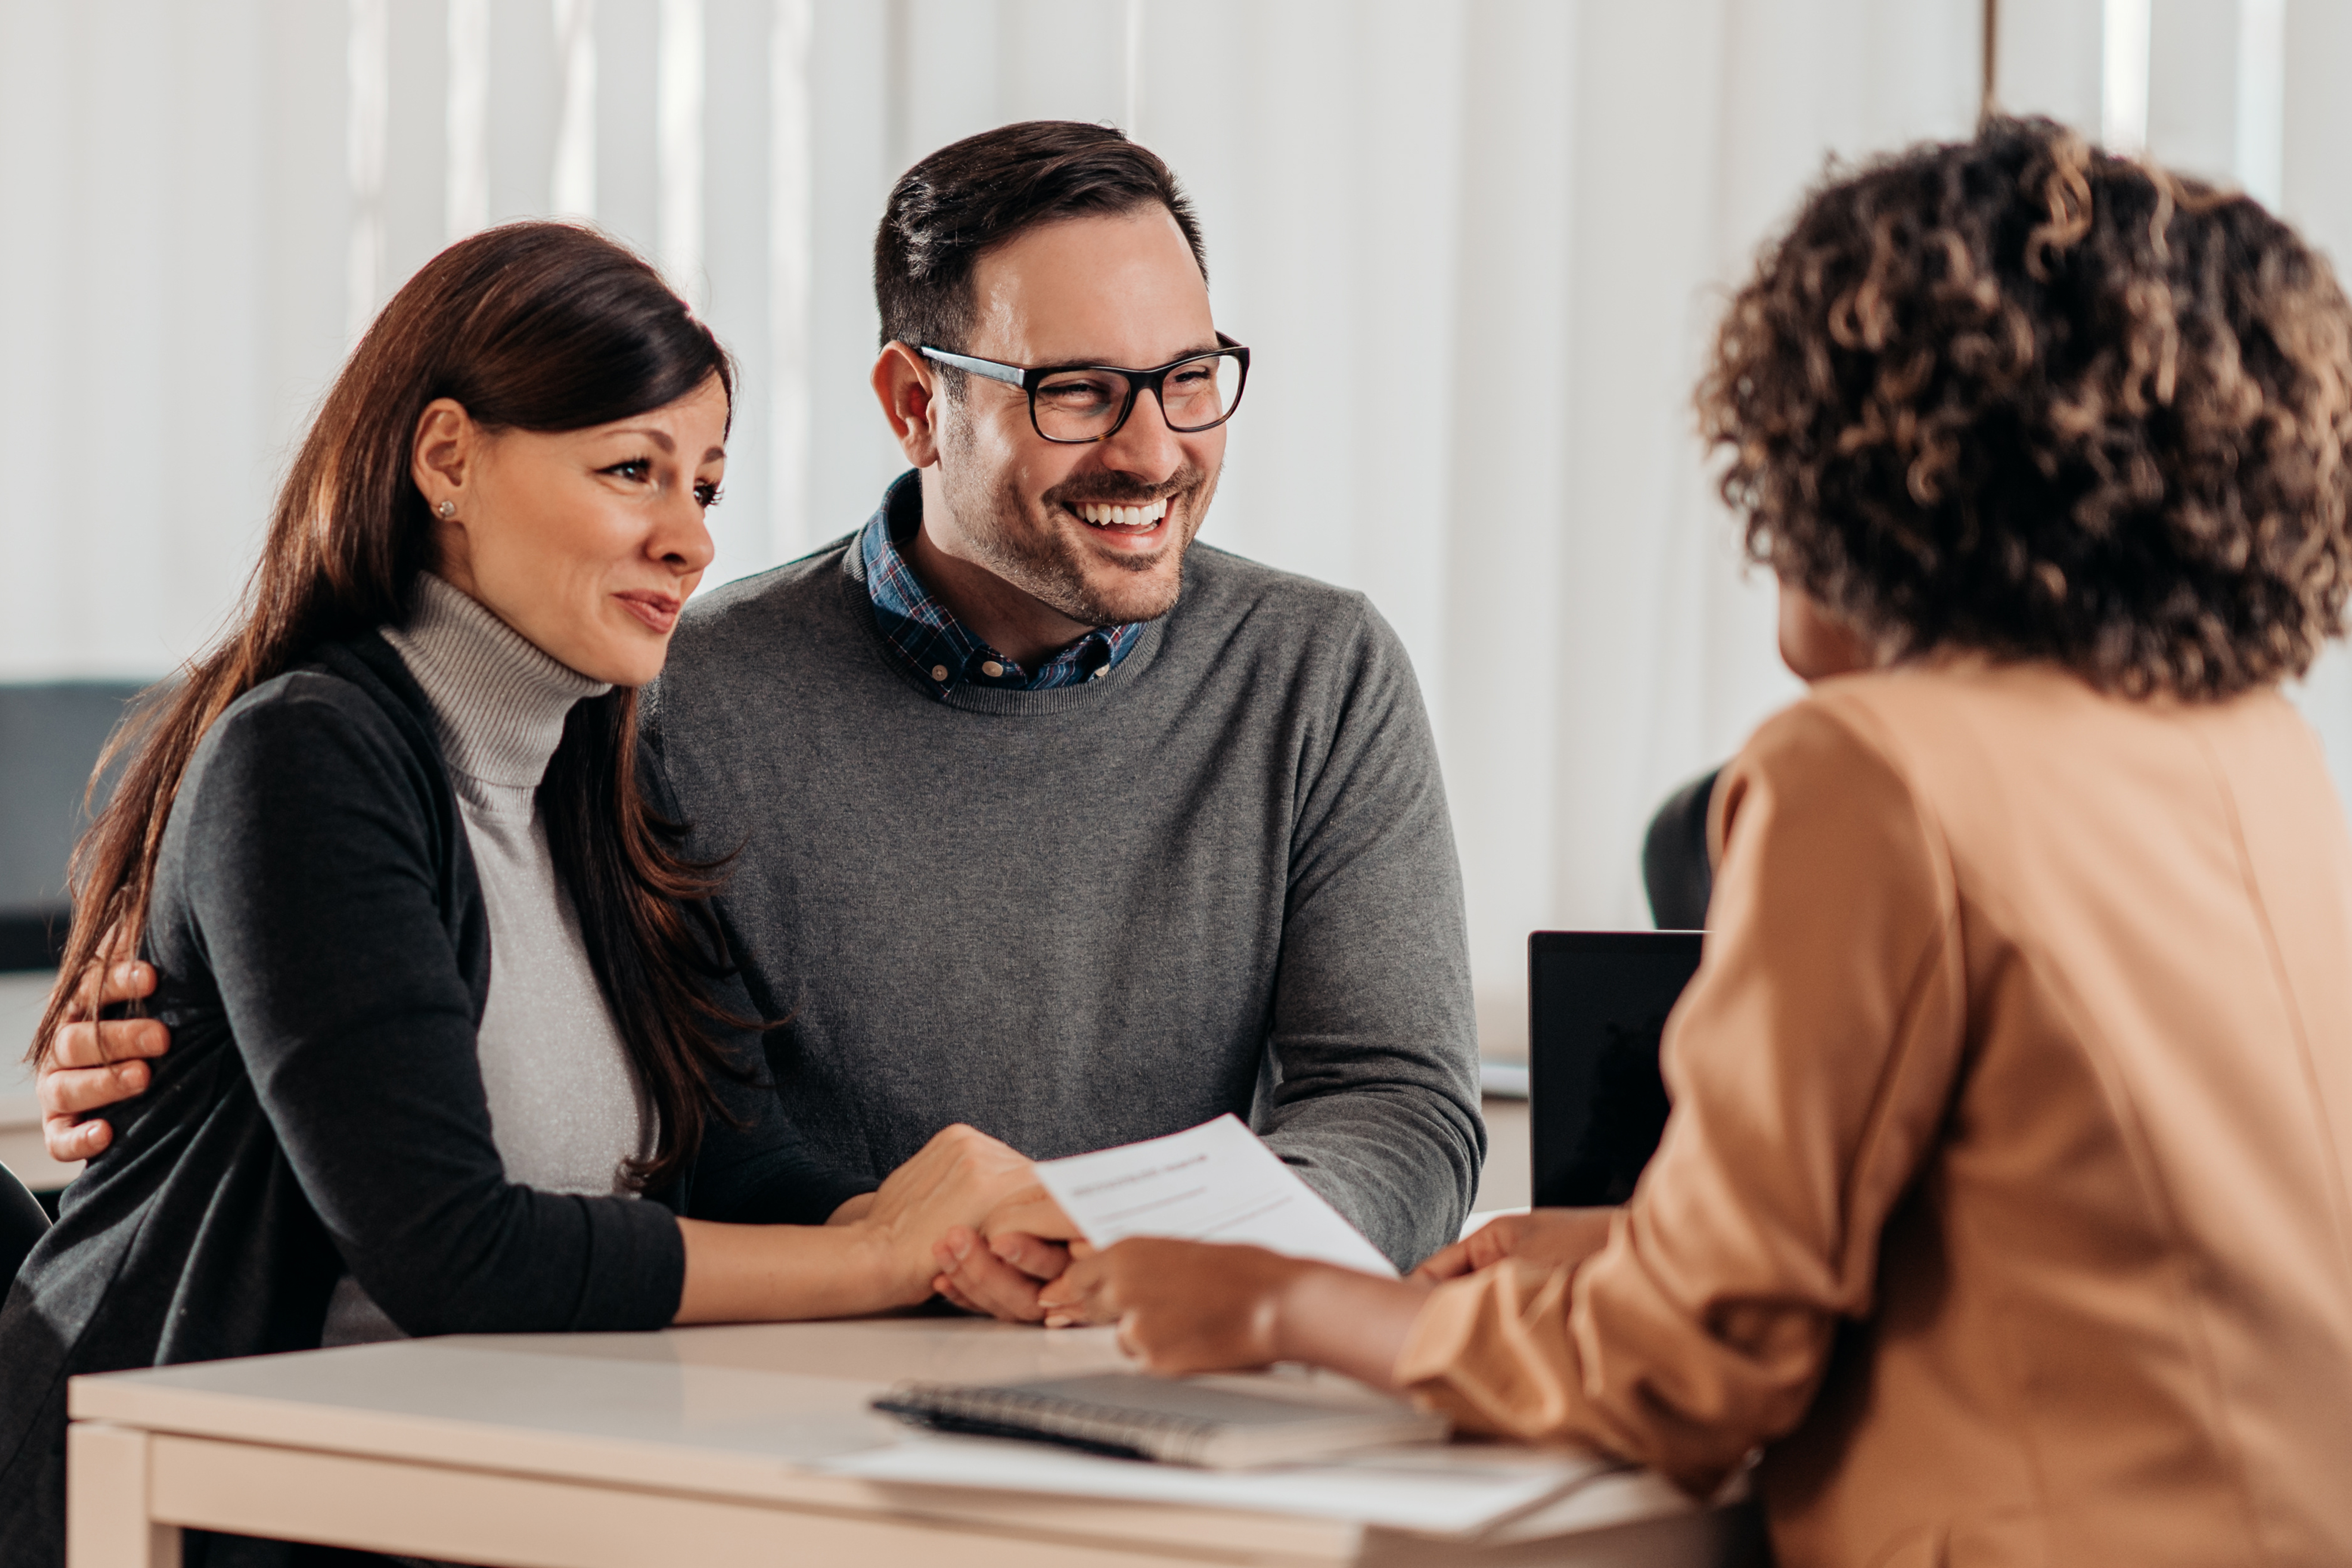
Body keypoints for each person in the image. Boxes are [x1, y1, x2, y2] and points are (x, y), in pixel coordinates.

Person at [1031, 118, 2352, 1566]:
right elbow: (2086, 1237)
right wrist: (1623, 1244)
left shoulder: (1873, 771)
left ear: (1874, 459)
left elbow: (1687, 1373)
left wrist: (1284, 1304)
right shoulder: (2247, 744)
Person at [38, 121, 1486, 1305]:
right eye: (1078, 392)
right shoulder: (660, 697)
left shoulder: (1319, 672)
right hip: (724, 1410)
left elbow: (1396, 1106)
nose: (1155, 447)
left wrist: (1174, 1260)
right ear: (915, 405)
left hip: (1141, 1354)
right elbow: (500, 1184)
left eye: (1186, 380)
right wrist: (195, 1027)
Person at [0, 223, 1037, 1568]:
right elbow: (451, 1251)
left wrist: (950, 1240)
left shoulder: (594, 775)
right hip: (228, 1507)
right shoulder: (308, 756)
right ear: (447, 459)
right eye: (631, 472)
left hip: (492, 1478)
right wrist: (884, 1259)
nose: (689, 541)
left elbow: (740, 1155)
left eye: (706, 488)